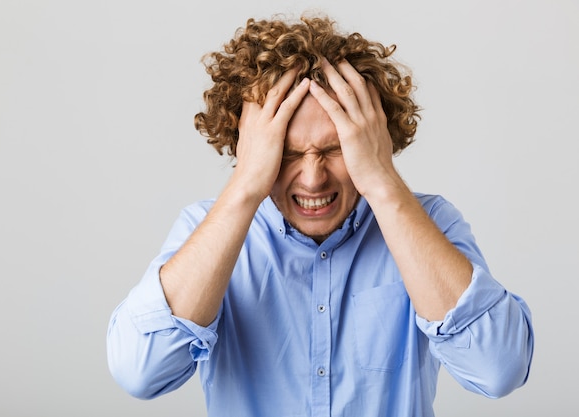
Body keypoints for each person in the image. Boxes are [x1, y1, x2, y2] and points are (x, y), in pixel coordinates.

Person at [107, 14, 534, 417]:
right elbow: (141, 373)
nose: (312, 179)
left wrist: (383, 183)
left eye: (334, 149)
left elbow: (498, 370)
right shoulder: (206, 229)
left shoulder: (428, 221)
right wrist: (244, 187)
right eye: (288, 154)